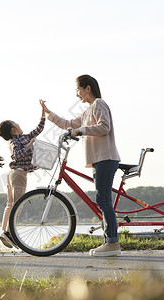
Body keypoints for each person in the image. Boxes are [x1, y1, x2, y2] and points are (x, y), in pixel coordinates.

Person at [40, 75, 121, 257]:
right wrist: (48, 114)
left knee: (103, 199)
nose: (77, 94)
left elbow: (104, 127)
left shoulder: (99, 104)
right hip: (99, 159)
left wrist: (81, 130)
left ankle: (112, 243)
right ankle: (110, 241)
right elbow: (68, 124)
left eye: (78, 90)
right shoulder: (88, 111)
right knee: (103, 199)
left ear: (87, 88)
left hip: (106, 157)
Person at [0, 103, 46, 248]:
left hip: (13, 174)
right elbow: (17, 155)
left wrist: (43, 113)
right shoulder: (15, 141)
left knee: (10, 204)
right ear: (13, 130)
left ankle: (5, 231)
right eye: (17, 124)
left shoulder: (23, 137)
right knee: (17, 205)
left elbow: (38, 130)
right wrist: (29, 145)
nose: (19, 125)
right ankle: (10, 233)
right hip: (18, 174)